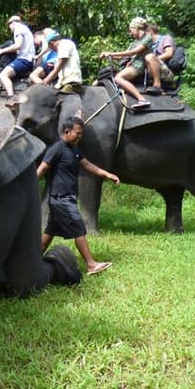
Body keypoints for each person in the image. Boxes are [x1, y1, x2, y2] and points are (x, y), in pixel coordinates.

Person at [37, 116, 119, 275]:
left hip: (66, 197)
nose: (79, 137)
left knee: (51, 230)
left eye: (81, 134)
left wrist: (107, 174)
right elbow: (41, 170)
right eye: (77, 133)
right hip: (61, 198)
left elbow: (87, 165)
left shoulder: (74, 149)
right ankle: (91, 264)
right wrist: (29, 190)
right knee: (79, 228)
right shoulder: (57, 149)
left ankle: (33, 260)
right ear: (67, 132)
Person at [98, 17, 154, 110]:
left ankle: (141, 99)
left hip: (138, 65)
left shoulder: (147, 38)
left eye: (131, 30)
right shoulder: (135, 42)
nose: (130, 33)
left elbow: (133, 52)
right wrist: (108, 55)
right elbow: (122, 56)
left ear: (137, 28)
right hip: (131, 65)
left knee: (118, 78)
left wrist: (112, 53)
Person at [0, 15, 35, 98]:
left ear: (12, 23)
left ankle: (11, 98)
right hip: (28, 59)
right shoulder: (26, 29)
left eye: (9, 26)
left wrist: (1, 51)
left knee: (3, 74)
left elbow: (17, 45)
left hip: (24, 60)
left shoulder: (18, 29)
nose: (10, 29)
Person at [144, 23, 176, 93]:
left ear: (150, 32)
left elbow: (169, 53)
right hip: (149, 70)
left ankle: (157, 85)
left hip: (165, 71)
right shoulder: (149, 44)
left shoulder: (166, 38)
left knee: (150, 57)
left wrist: (154, 59)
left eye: (145, 34)